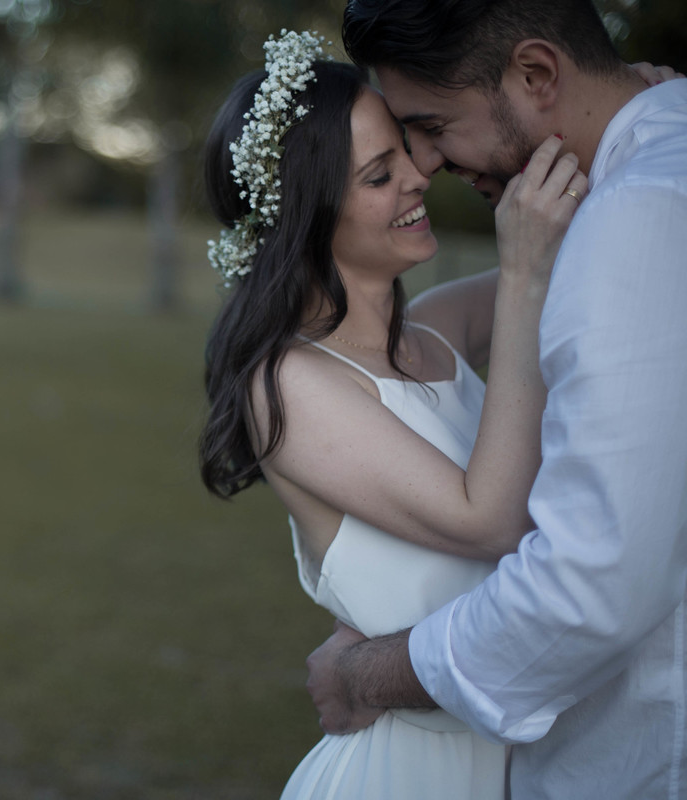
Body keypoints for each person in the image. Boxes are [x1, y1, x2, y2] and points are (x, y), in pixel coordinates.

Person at [302, 2, 687, 798]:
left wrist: (366, 676)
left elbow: (589, 587)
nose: (427, 164)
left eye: (433, 125)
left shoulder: (633, 219)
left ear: (537, 74)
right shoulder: (652, 169)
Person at [199, 30, 586, 798]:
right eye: (381, 174)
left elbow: (574, 236)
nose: (420, 176)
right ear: (310, 218)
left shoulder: (435, 333)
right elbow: (490, 520)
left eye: (408, 150)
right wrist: (522, 279)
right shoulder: (289, 384)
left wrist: (624, 105)